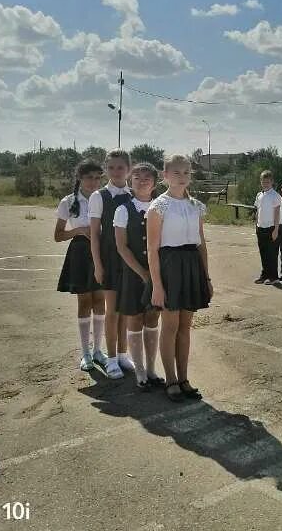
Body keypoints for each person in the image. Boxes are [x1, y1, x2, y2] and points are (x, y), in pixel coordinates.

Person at [146, 154, 213, 402]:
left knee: (185, 327)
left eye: (186, 172)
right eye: (176, 172)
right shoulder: (158, 206)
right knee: (170, 326)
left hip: (192, 266)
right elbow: (153, 249)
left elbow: (201, 243)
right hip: (169, 268)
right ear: (165, 176)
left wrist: (206, 278)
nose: (182, 177)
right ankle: (171, 379)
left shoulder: (195, 205)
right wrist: (157, 285)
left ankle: (184, 379)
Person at [114, 162, 164, 390]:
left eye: (147, 178)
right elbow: (121, 247)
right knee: (134, 318)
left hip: (158, 273)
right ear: (130, 182)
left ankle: (152, 369)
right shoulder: (123, 209)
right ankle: (140, 371)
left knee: (152, 318)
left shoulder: (162, 207)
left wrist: (155, 274)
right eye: (137, 177)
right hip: (133, 274)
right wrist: (142, 272)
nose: (142, 181)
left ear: (154, 183)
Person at [55, 160, 106, 371]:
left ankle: (98, 351)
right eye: (88, 177)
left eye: (97, 178)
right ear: (79, 178)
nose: (93, 182)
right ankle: (85, 353)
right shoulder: (68, 201)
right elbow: (58, 235)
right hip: (80, 253)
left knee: (100, 300)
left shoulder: (104, 198)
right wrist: (78, 230)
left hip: (102, 251)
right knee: (85, 302)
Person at [89, 149, 133, 378]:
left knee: (126, 310)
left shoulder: (134, 195)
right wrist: (98, 265)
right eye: (112, 167)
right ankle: (112, 358)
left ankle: (124, 354)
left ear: (128, 169)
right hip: (108, 258)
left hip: (129, 259)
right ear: (106, 169)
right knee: (112, 311)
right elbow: (95, 235)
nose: (116, 172)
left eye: (121, 167)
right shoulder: (99, 197)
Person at [253, 170, 281, 285]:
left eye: (268, 182)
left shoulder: (275, 196)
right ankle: (264, 275)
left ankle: (274, 277)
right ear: (261, 182)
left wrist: (276, 229)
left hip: (271, 228)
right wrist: (256, 225)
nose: (265, 184)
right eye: (263, 182)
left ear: (272, 182)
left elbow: (277, 213)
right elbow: (257, 211)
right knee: (263, 253)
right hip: (261, 228)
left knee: (272, 253)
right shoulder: (259, 195)